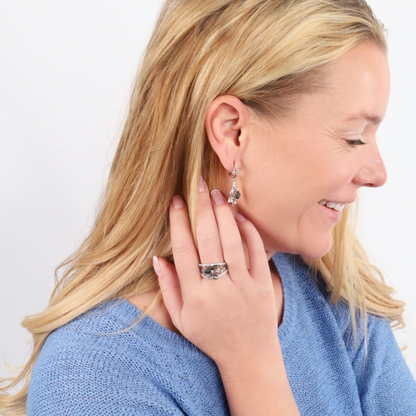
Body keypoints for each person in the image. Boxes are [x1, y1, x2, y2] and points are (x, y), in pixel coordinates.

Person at [1, 0, 416, 414]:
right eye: (354, 137)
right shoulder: (89, 375)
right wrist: (251, 362)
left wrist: (253, 358)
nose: (378, 173)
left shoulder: (338, 303)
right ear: (233, 132)